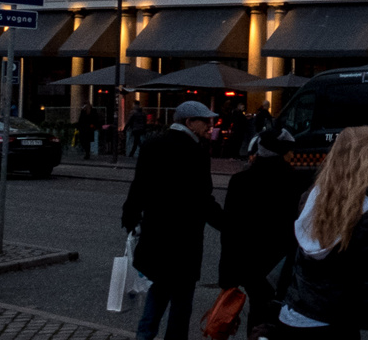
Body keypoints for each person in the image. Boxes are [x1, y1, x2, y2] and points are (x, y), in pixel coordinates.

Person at [277, 126, 368, 339]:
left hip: (293, 315)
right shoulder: (367, 211)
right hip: (334, 322)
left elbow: (295, 259)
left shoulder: (311, 197)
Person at [122, 100, 226, 340]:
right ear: (189, 122)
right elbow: (203, 199)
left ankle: (143, 337)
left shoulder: (152, 145)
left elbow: (139, 187)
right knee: (181, 303)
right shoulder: (196, 151)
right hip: (184, 239)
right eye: (205, 122)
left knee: (157, 293)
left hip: (156, 235)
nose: (210, 126)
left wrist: (131, 217)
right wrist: (227, 224)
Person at [220, 128, 299, 336]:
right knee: (282, 315)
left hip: (250, 264)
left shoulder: (240, 181)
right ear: (281, 152)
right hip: (283, 264)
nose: (293, 154)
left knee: (256, 311)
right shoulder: (296, 182)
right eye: (290, 150)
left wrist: (228, 276)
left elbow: (230, 231)